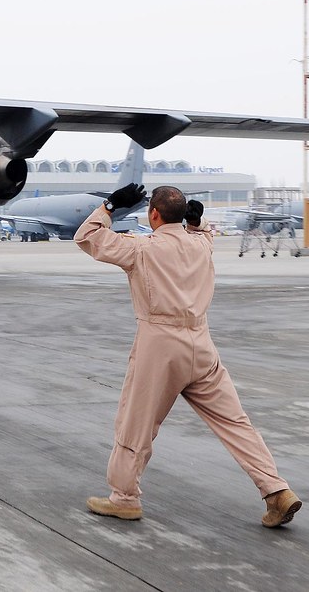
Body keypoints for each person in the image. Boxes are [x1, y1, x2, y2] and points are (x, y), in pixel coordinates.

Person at [74, 183, 300, 527]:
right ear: (183, 216)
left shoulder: (141, 248)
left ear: (153, 214)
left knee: (136, 424)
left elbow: (87, 237)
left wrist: (109, 206)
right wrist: (196, 223)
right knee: (235, 422)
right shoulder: (200, 244)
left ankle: (124, 499)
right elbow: (205, 233)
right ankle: (276, 491)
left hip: (159, 345)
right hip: (201, 343)